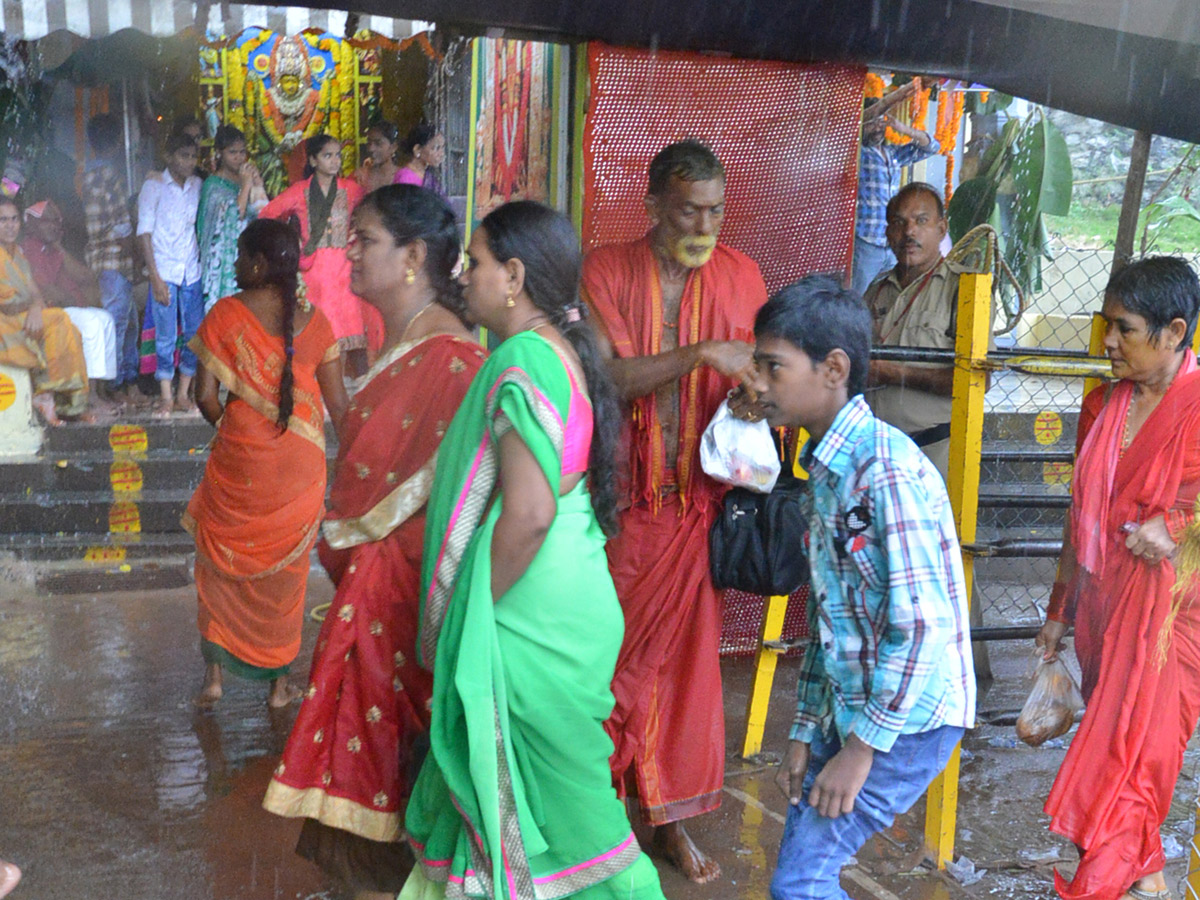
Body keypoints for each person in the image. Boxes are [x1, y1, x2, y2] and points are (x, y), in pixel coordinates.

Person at [401, 201, 665, 900]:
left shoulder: (522, 360)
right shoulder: (554, 352)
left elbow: (529, 512)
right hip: (566, 600)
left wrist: (468, 614)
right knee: (542, 810)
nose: (464, 275)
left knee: (585, 832)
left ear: (514, 275)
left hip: (528, 617)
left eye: (477, 262)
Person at [262, 185, 485, 900]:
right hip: (376, 585)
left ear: (414, 256)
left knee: (397, 762)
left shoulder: (453, 357)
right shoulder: (411, 341)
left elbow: (459, 503)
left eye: (364, 239)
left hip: (406, 594)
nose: (348, 251)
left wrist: (378, 553)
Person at [580, 138, 767, 883]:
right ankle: (594, 818)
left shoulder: (741, 276)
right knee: (602, 669)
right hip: (617, 511)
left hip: (694, 513)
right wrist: (698, 356)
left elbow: (761, 386)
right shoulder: (603, 270)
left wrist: (757, 395)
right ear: (652, 205)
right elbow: (605, 383)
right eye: (689, 209)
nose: (705, 224)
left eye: (717, 210)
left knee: (681, 680)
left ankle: (668, 823)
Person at [754, 274, 975, 900]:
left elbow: (922, 626)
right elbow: (835, 618)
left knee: (801, 881)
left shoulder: (885, 470)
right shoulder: (825, 464)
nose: (758, 382)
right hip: (860, 709)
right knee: (804, 869)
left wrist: (859, 751)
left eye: (774, 366)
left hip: (906, 720)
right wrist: (807, 729)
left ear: (833, 369)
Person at [1036, 257, 1200, 900]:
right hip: (1104, 612)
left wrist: (1178, 528)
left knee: (1130, 767)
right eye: (1106, 324)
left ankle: (1099, 888)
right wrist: (1060, 609)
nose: (1106, 341)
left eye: (1123, 329)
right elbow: (1083, 518)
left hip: (1173, 621)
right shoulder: (1103, 403)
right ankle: (1149, 880)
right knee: (1116, 759)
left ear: (1174, 332)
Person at [183, 218, 348, 709]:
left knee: (217, 563)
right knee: (288, 574)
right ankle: (279, 687)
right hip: (301, 463)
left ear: (258, 263)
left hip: (242, 455)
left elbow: (203, 395)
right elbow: (340, 407)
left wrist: (233, 430)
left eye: (239, 256)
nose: (234, 265)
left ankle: (214, 679)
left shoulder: (226, 314)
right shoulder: (317, 321)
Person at [863, 182, 972, 481]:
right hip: (875, 452)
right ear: (887, 233)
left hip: (932, 453)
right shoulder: (876, 289)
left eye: (921, 221)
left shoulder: (963, 289)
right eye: (899, 223)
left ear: (941, 229)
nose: (909, 232)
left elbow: (977, 379)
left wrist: (890, 373)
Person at [260, 134, 369, 376]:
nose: (335, 161)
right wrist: (291, 242)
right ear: (313, 159)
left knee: (343, 330)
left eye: (337, 155)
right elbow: (267, 214)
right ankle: (313, 388)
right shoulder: (299, 191)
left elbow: (371, 213)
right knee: (315, 330)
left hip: (343, 269)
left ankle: (335, 387)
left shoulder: (352, 190)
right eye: (327, 156)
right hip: (313, 271)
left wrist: (356, 235)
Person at [22, 200, 120, 414]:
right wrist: (74, 297)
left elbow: (86, 277)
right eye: (47, 221)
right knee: (92, 322)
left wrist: (59, 247)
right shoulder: (30, 248)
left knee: (105, 318)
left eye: (56, 221)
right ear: (33, 224)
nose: (54, 226)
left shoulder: (52, 248)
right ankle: (90, 397)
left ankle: (102, 390)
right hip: (48, 312)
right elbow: (48, 291)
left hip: (66, 307)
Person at [0, 196, 90, 425]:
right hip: (4, 324)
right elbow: (6, 303)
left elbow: (36, 293)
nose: (9, 225)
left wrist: (36, 307)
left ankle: (70, 406)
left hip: (19, 319)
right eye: (2, 220)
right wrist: (33, 308)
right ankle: (46, 398)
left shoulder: (17, 255)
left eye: (13, 219)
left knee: (70, 329)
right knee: (58, 319)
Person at [137, 131, 204, 417]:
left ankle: (183, 394)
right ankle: (166, 396)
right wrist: (154, 277)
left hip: (192, 270)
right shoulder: (154, 186)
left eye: (192, 156)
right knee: (165, 336)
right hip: (164, 270)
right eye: (183, 156)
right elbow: (144, 233)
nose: (189, 162)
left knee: (194, 333)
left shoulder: (198, 185)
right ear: (169, 157)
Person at [852, 80, 940, 295]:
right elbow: (856, 129)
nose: (877, 128)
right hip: (867, 241)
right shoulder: (858, 153)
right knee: (857, 297)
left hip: (892, 243)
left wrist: (902, 128)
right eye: (871, 123)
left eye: (880, 123)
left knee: (887, 296)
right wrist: (896, 96)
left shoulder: (891, 154)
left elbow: (931, 147)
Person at [82, 113, 142, 403]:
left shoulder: (89, 175)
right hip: (115, 260)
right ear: (117, 141)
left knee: (124, 322)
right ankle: (115, 387)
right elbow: (121, 226)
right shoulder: (109, 175)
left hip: (104, 260)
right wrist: (136, 254)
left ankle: (124, 384)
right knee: (119, 324)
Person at [198, 125, 268, 314]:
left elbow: (263, 215)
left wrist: (258, 185)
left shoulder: (246, 179)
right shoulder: (212, 185)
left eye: (242, 152)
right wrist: (246, 185)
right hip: (223, 265)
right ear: (220, 153)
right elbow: (233, 217)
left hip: (248, 256)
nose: (239, 157)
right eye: (232, 152)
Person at [395, 123, 446, 197]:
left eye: (442, 148)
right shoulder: (405, 178)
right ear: (417, 149)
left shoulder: (427, 176)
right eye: (436, 148)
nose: (441, 154)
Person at [354, 120, 403, 192]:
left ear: (393, 147)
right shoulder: (360, 176)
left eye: (378, 143)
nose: (371, 149)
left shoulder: (403, 177)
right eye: (369, 142)